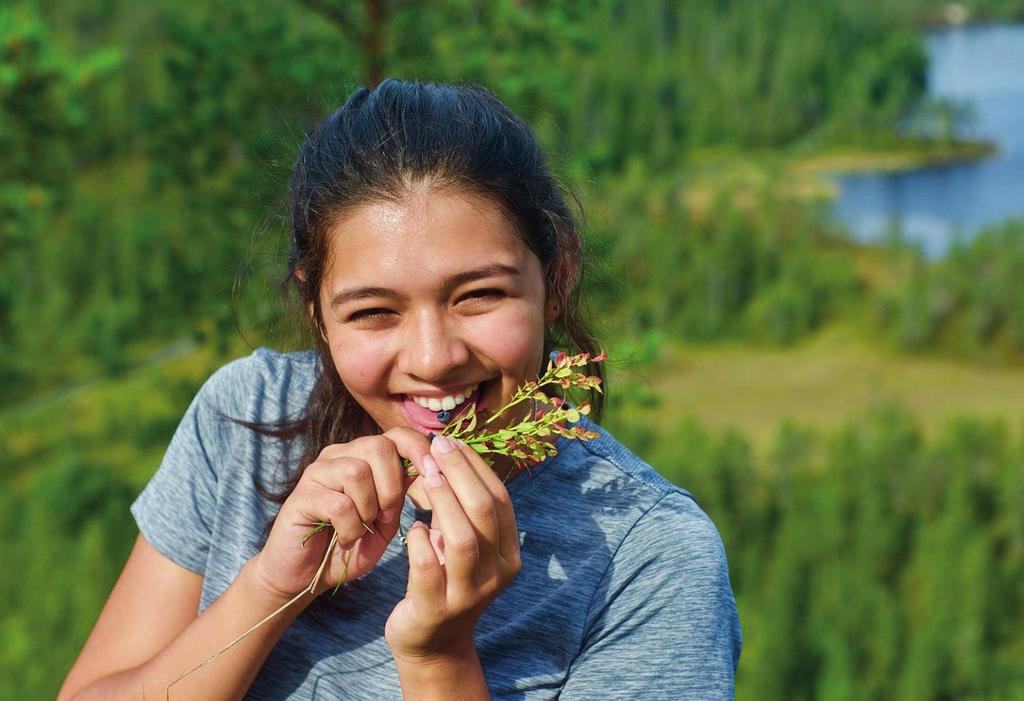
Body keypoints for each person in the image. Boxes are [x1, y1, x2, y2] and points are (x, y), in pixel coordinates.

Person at [59, 79, 742, 700]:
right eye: (373, 311)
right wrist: (270, 584)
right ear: (317, 310)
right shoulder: (247, 417)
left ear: (556, 278)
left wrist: (440, 660)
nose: (432, 357)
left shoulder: (652, 556)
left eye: (478, 296)